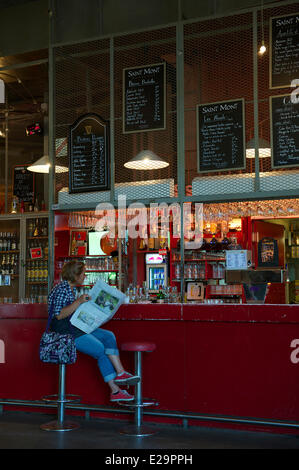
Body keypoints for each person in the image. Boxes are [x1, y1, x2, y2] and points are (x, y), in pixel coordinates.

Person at [48, 260, 138, 402]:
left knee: (108, 336)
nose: (85, 276)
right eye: (83, 273)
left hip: (75, 327)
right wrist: (79, 302)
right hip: (65, 333)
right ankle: (115, 391)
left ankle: (120, 373)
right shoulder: (61, 289)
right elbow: (59, 315)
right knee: (100, 350)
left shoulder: (69, 289)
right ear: (75, 275)